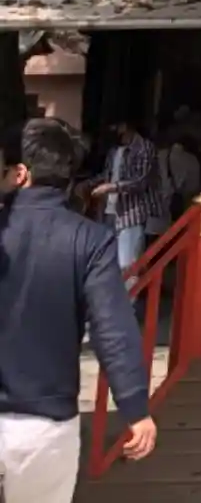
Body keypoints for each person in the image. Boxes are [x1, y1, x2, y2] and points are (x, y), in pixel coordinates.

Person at [0, 119, 157, 502]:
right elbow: (112, 329)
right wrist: (135, 406)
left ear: (21, 174)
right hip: (45, 428)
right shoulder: (90, 239)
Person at [91, 122, 163, 276]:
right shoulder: (114, 150)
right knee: (108, 264)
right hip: (109, 212)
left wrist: (112, 187)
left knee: (128, 266)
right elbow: (108, 175)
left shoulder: (144, 148)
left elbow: (140, 181)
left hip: (131, 213)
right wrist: (89, 183)